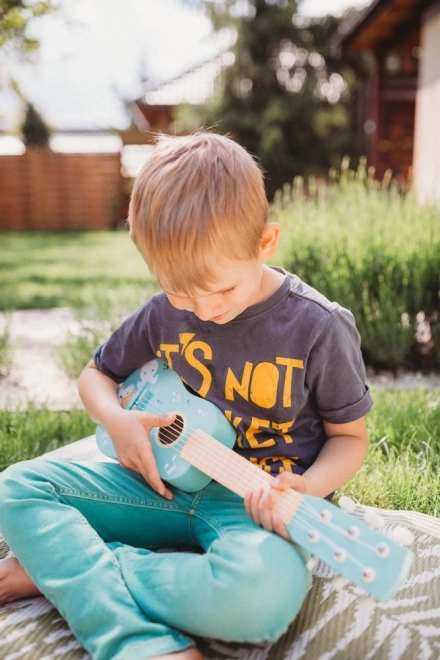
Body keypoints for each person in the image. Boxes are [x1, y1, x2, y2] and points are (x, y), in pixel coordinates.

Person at [0, 131, 372, 660]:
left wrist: (308, 489)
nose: (201, 309)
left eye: (220, 289)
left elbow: (350, 439)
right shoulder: (163, 313)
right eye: (180, 291)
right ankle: (137, 643)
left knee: (259, 598)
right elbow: (95, 375)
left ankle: (72, 567)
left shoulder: (318, 329)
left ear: (265, 243)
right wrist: (117, 421)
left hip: (255, 505)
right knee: (16, 488)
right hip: (159, 482)